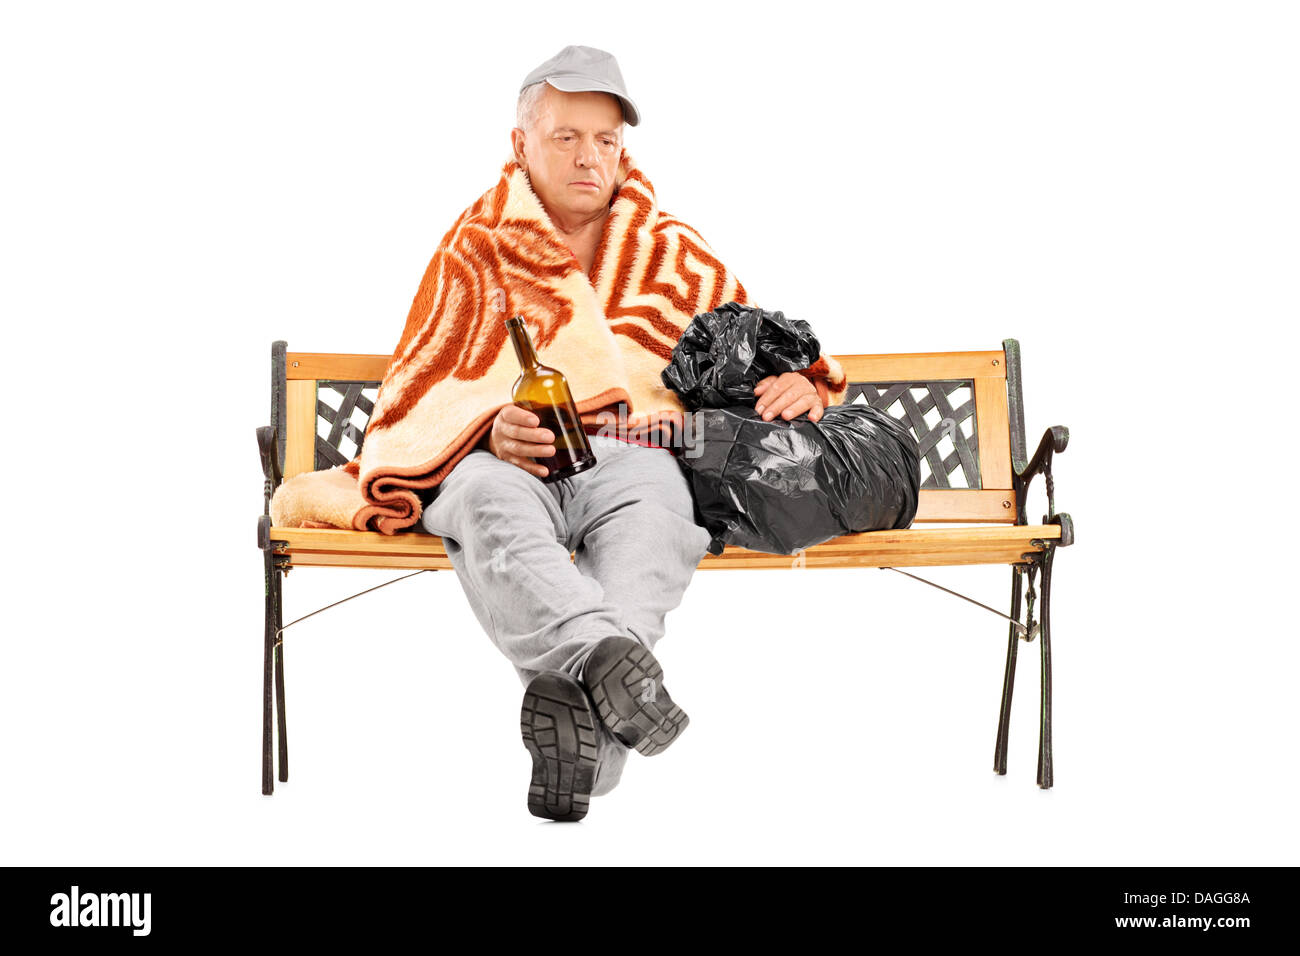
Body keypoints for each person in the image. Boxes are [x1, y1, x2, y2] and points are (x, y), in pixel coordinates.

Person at [418, 45, 826, 821]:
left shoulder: (670, 250)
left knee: (655, 512)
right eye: (567, 136)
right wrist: (484, 427)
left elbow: (754, 341)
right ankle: (607, 673)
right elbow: (423, 387)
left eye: (605, 140)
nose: (588, 157)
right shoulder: (474, 250)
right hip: (509, 469)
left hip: (635, 462)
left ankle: (589, 743)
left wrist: (800, 380)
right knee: (477, 496)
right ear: (520, 144)